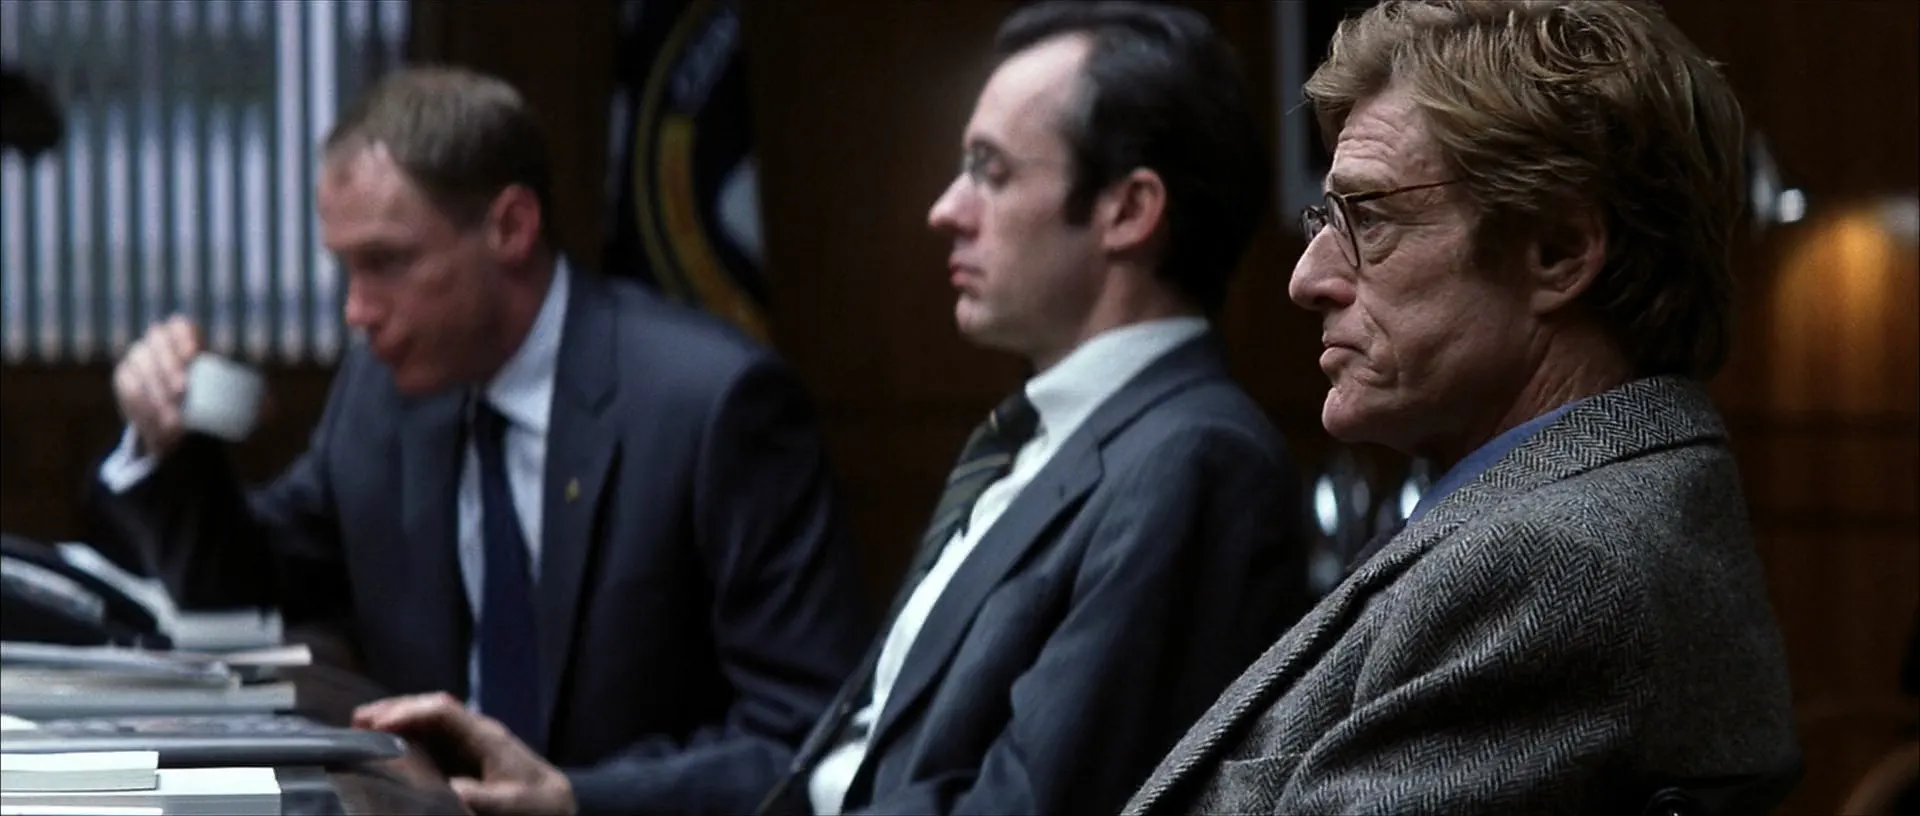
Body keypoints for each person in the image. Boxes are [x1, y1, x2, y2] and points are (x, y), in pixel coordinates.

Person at [351, 3, 1311, 815]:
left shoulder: (1191, 459)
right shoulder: (1041, 436)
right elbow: (840, 767)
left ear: (1128, 212)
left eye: (991, 170)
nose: (946, 208)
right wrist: (570, 796)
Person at [87, 66, 872, 815]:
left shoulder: (713, 406)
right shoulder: (380, 396)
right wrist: (166, 441)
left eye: (386, 262)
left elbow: (804, 738)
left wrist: (577, 801)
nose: (356, 310)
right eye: (346, 268)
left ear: (510, 227)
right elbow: (244, 582)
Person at [1122, 2, 1801, 813]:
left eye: (1368, 216)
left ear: (1558, 252)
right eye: (1325, 218)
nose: (1306, 279)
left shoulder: (1549, 565)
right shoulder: (1602, 511)